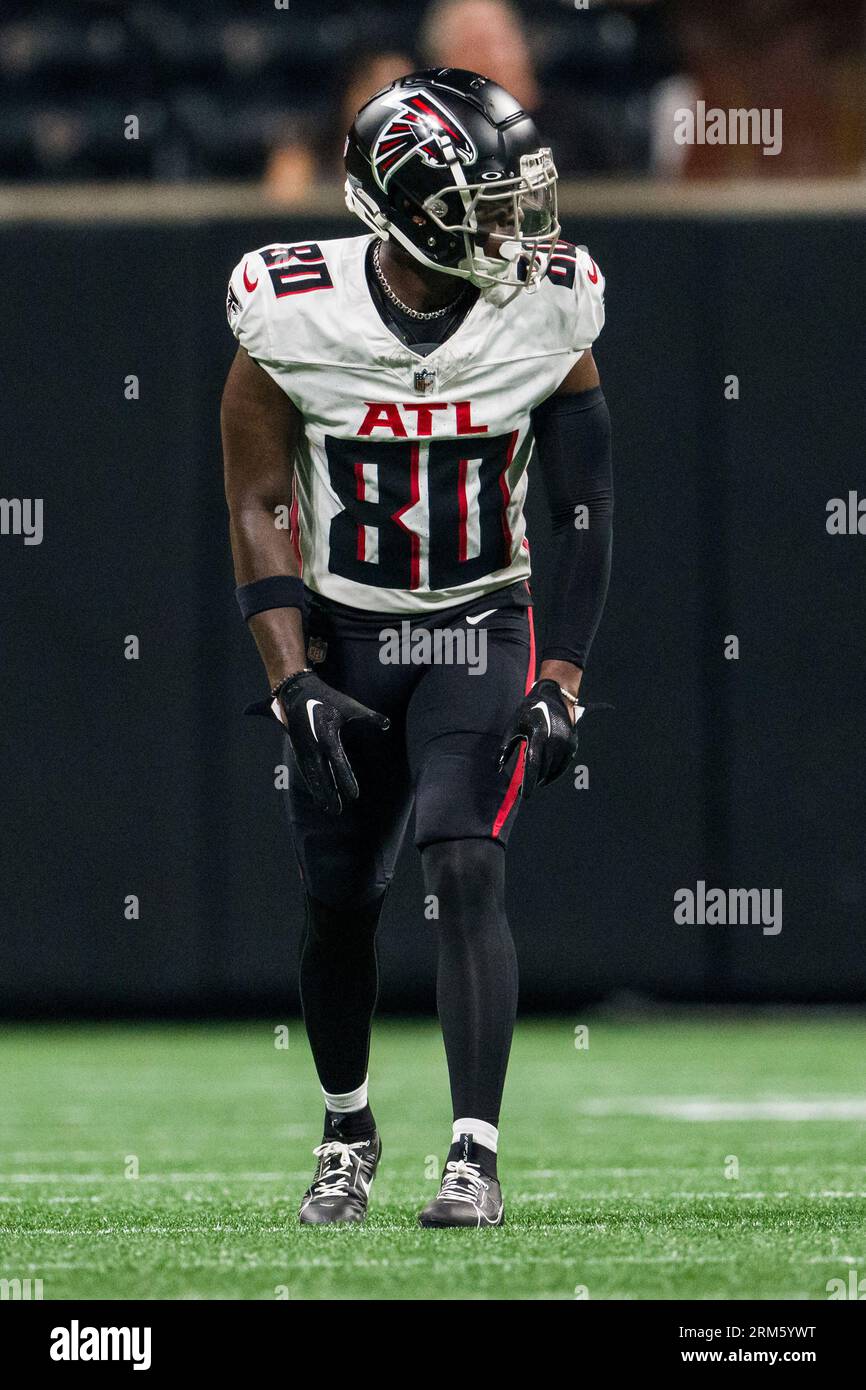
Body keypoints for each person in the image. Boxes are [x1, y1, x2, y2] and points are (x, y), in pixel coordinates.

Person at [221, 67, 612, 1228]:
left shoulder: (549, 303)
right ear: (406, 204)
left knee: (464, 863)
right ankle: (347, 1128)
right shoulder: (291, 307)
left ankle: (473, 1154)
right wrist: (287, 676)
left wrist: (562, 678)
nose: (515, 227)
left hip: (477, 620)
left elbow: (585, 506)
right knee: (339, 897)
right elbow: (257, 499)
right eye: (486, 204)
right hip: (344, 631)